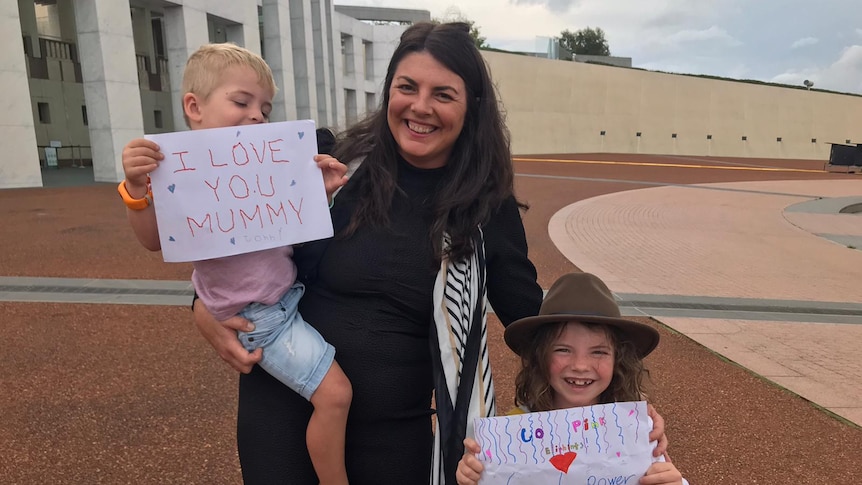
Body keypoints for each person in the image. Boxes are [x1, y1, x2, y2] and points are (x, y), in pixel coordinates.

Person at [191, 23, 667, 485]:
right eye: (408, 87)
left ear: (471, 107)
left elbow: (532, 315)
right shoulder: (336, 169)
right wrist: (201, 310)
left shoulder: (486, 205)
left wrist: (621, 408)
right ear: (389, 91)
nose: (421, 107)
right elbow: (230, 239)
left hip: (397, 432)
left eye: (443, 94)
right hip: (282, 410)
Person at [118, 43, 351, 485]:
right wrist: (134, 189)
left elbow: (290, 233)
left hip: (283, 298)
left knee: (334, 392)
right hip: (261, 317)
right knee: (336, 396)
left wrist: (315, 197)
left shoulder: (263, 165)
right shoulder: (168, 168)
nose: (258, 116)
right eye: (241, 102)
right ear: (194, 106)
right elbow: (152, 240)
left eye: (265, 107)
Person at [456, 272, 687, 485]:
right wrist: (474, 475)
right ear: (540, 357)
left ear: (618, 360)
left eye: (598, 352)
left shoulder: (635, 430)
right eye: (563, 350)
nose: (580, 365)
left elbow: (661, 473)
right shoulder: (511, 438)